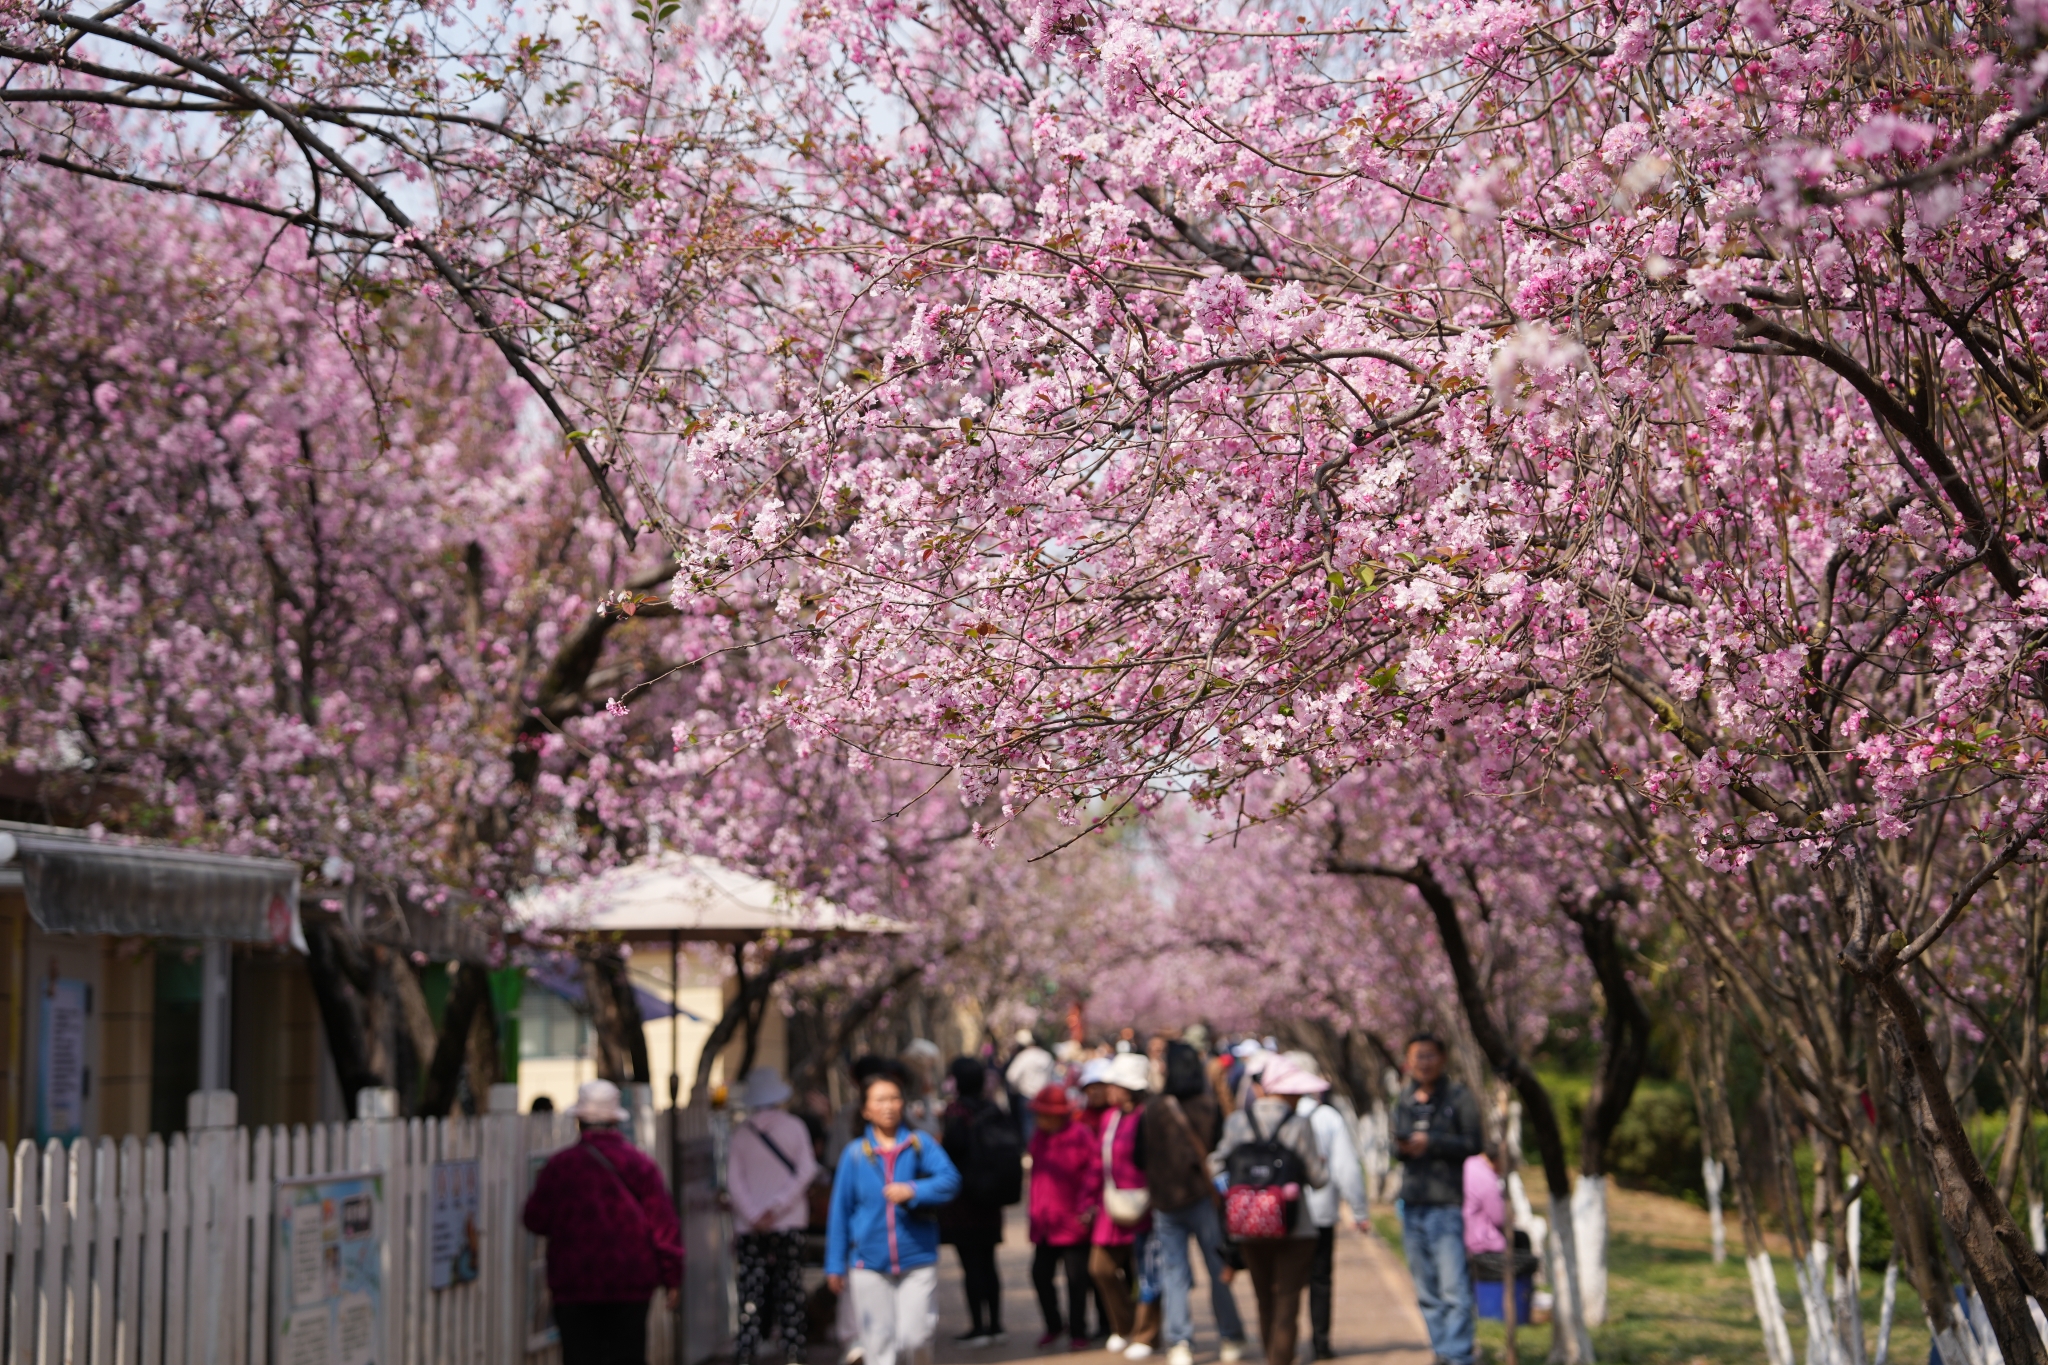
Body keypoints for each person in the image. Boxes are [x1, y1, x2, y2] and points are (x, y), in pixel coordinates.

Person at [522, 1080, 684, 1365]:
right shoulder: (640, 1165)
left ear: (579, 1121)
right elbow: (664, 1224)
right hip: (630, 1282)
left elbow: (535, 1219)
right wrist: (672, 1276)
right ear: (615, 1121)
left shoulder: (561, 1167)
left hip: (574, 1283)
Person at [825, 1069, 963, 1365]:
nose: (888, 1106)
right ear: (865, 1110)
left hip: (918, 1259)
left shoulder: (919, 1144)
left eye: (894, 1098)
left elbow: (951, 1180)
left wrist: (913, 1190)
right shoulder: (854, 1155)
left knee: (917, 1337)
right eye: (880, 1100)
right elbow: (840, 1211)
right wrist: (834, 1264)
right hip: (868, 1264)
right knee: (878, 1346)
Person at [1210, 1056, 1329, 1365]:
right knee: (1287, 1304)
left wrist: (1238, 1195)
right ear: (1287, 1092)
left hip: (1248, 1225)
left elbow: (1215, 1165)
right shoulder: (1299, 1124)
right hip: (1294, 1226)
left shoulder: (1237, 1121)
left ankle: (1270, 1358)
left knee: (1265, 1300)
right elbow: (1318, 1179)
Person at [1141, 1041, 1248, 1365]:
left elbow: (1139, 1155)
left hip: (1165, 1203)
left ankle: (1180, 1343)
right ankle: (1230, 1337)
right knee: (1218, 1268)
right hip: (1203, 1199)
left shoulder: (1154, 1109)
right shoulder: (1209, 1107)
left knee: (1174, 1272)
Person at [1393, 1034, 1483, 1365]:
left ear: (1442, 1058)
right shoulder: (1404, 1099)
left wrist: (1432, 1142)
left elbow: (1474, 1142)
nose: (1423, 1063)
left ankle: (1459, 1355)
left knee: (1453, 1288)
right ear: (1408, 1061)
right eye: (1417, 1057)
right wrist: (1402, 1147)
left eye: (1430, 1055)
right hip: (1412, 1202)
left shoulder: (1458, 1097)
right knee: (1426, 1288)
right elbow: (1395, 1145)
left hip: (1445, 1203)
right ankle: (1442, 1351)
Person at [1281, 1053, 1371, 1361]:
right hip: (1320, 1213)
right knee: (1320, 1280)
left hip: (1280, 1215)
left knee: (1285, 1282)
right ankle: (1321, 1343)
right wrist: (1359, 1212)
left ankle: (1283, 1345)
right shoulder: (1327, 1117)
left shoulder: (1269, 1114)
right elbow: (1346, 1169)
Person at [729, 1066, 821, 1365]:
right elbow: (807, 1171)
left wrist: (754, 1214)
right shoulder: (795, 1126)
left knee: (751, 1290)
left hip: (749, 1226)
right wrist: (779, 1206)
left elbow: (734, 1181)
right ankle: (794, 1350)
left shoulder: (741, 1133)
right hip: (790, 1221)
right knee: (790, 1286)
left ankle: (747, 1350)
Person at [940, 1057, 1022, 1347]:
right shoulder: (993, 1108)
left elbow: (951, 1148)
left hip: (965, 1200)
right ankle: (996, 1324)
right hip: (991, 1198)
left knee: (971, 1264)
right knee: (988, 1262)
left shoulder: (956, 1111)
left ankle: (978, 1327)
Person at [1091, 1052, 1161, 1361]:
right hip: (1113, 1205)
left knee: (1147, 1274)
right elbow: (1098, 1162)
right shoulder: (1110, 1118)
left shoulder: (1149, 1116)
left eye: (1114, 1084)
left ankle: (1147, 1333)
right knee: (1101, 1268)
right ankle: (1124, 1324)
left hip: (1146, 1206)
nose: (1108, 1090)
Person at [1027, 1083, 1101, 1350]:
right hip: (1045, 1223)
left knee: (1077, 1279)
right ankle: (1054, 1325)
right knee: (1039, 1274)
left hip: (1073, 1222)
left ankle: (1078, 1330)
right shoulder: (1039, 1137)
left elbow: (1095, 1172)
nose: (1039, 1119)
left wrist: (1086, 1205)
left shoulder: (1080, 1134)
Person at [1007, 1030, 1057, 1141]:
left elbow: (1011, 1076)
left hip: (1026, 1095)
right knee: (1042, 1125)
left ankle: (1031, 1151)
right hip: (1043, 1096)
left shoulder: (1025, 1055)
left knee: (1028, 1125)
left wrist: (1016, 1089)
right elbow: (1052, 1077)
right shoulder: (1047, 1056)